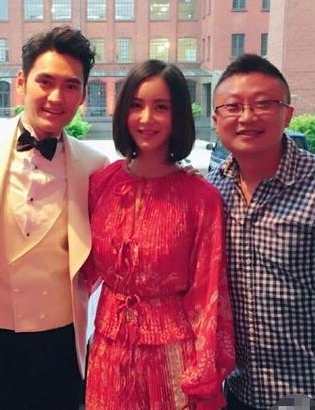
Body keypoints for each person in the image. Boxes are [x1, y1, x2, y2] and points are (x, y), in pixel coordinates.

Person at [0, 26, 109, 409]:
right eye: (45, 81)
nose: (56, 97)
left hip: (60, 344)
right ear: (21, 82)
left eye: (71, 86)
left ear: (83, 95)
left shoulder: (96, 166)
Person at [207, 53, 315, 409]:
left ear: (287, 114)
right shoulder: (213, 188)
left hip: (311, 393)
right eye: (233, 107)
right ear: (216, 119)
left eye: (263, 104)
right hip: (237, 390)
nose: (247, 117)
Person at [82, 59, 235, 410]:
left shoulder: (200, 198)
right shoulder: (102, 183)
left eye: (161, 107)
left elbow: (209, 292)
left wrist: (203, 372)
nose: (146, 118)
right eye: (136, 105)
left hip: (172, 356)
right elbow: (80, 266)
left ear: (178, 115)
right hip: (107, 349)